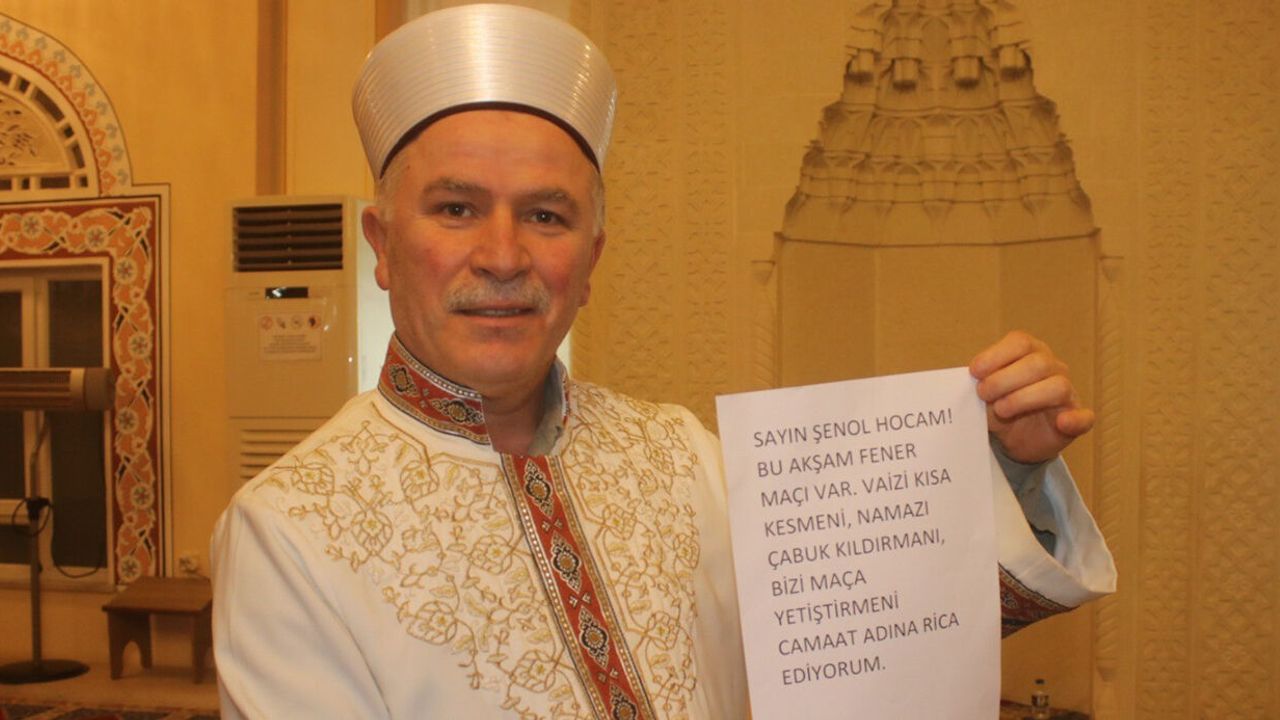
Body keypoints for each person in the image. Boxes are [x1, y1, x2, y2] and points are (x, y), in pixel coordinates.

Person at [211, 5, 1115, 718]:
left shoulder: (682, 458)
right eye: (456, 209)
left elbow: (880, 627)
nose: (503, 255)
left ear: (590, 261)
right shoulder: (290, 529)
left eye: (547, 216)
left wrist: (1010, 467)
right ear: (382, 244)